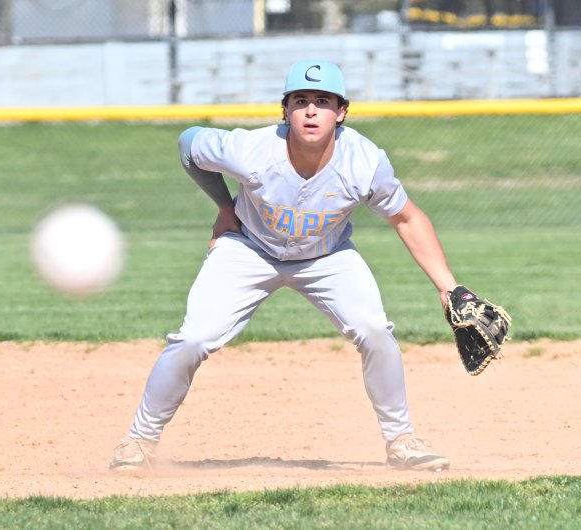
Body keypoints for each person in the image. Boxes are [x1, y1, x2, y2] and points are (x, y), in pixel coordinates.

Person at [110, 60, 458, 472]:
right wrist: (225, 206)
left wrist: (448, 287)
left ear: (342, 112)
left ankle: (401, 440)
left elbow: (408, 218)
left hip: (327, 258)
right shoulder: (251, 150)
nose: (312, 111)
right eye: (301, 101)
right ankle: (138, 441)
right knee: (192, 339)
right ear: (285, 110)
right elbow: (189, 144)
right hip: (248, 250)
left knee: (374, 330)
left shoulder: (364, 161)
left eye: (323, 101)